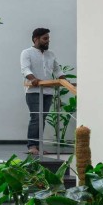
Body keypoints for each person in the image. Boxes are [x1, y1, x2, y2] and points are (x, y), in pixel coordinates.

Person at [20, 27, 61, 156]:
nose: (47, 41)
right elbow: (25, 69)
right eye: (45, 38)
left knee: (42, 119)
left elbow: (58, 70)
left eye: (48, 38)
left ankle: (39, 146)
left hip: (48, 92)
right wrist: (33, 79)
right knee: (36, 117)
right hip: (33, 92)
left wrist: (64, 81)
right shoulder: (26, 53)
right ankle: (32, 146)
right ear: (35, 39)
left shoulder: (51, 54)